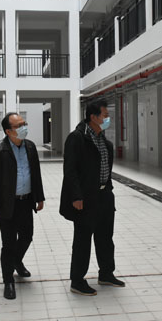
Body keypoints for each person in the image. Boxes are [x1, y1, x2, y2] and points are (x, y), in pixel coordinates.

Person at [60, 100, 125, 296]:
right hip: (85, 198)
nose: (108, 119)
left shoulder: (104, 140)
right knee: (83, 240)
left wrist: (109, 190)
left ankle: (106, 273)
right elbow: (70, 170)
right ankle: (77, 280)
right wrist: (76, 196)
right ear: (93, 117)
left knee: (105, 237)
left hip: (104, 196)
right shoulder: (77, 138)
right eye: (105, 115)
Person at [0, 113, 45, 300]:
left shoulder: (30, 147)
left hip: (26, 201)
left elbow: (36, 174)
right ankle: (8, 280)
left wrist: (40, 197)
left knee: (27, 237)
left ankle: (16, 262)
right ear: (8, 131)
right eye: (19, 125)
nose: (24, 127)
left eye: (24, 123)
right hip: (7, 204)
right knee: (8, 243)